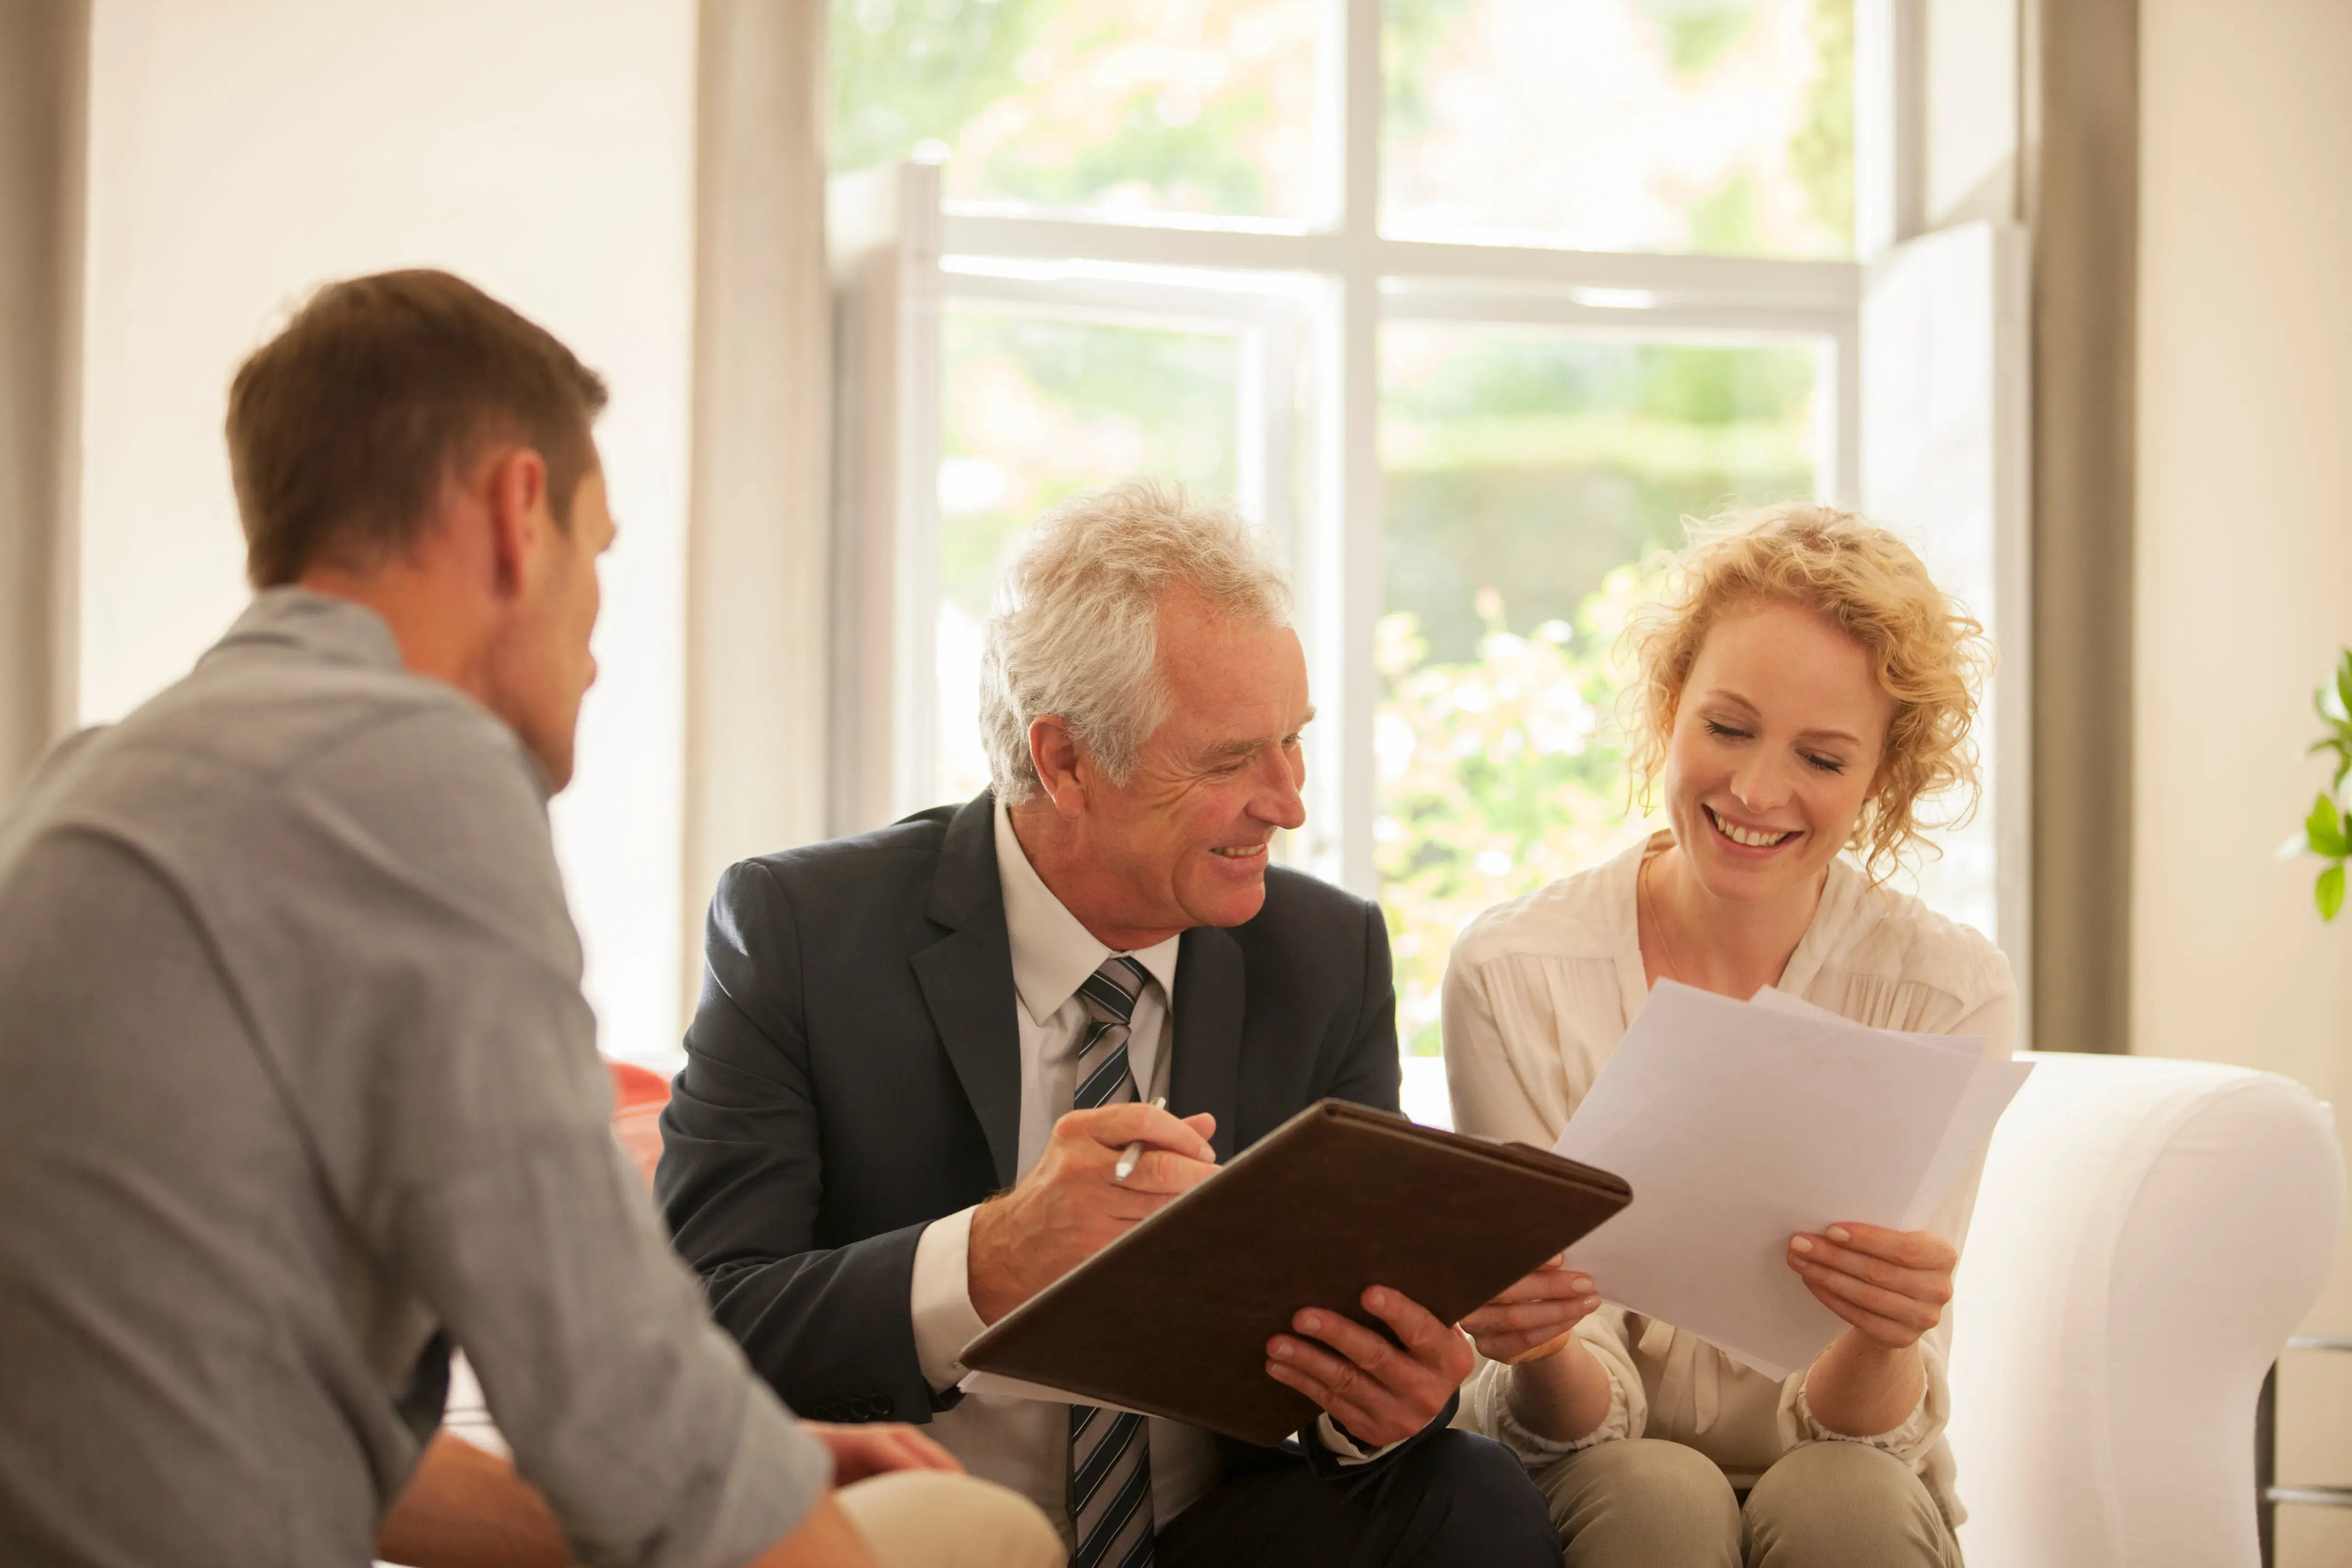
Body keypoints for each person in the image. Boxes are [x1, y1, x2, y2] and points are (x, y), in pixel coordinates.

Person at [0, 270, 1060, 1568]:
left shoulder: (95, 780)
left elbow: (318, 1436)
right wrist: (760, 1511)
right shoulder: (406, 765)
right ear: (517, 513)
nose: (597, 635)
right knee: (975, 1530)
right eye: (597, 550)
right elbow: (597, 1362)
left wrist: (758, 1468)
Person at [655, 479, 1562, 1568]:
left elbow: (1349, 1351)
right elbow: (699, 1323)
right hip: (916, 1531)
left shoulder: (1325, 957)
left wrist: (1375, 1404)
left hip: (1204, 1536)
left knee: (1466, 1489)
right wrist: (986, 1259)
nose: (1289, 800)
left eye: (1293, 741)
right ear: (1066, 761)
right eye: (1230, 759)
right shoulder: (803, 931)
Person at [1442, 504, 2015, 1568]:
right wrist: (1544, 1340)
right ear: (1670, 708)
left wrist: (1887, 1330)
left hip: (1849, 1475)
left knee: (1841, 1500)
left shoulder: (1944, 992)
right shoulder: (1513, 973)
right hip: (1585, 1472)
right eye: (1729, 727)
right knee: (1654, 1494)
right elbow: (1562, 1415)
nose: (1756, 791)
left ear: (1881, 779)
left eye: (1823, 757)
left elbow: (1865, 1434)